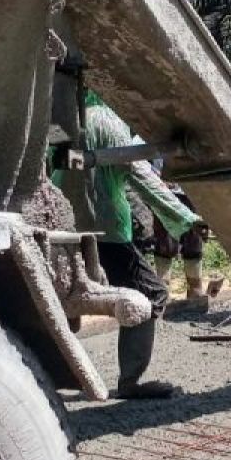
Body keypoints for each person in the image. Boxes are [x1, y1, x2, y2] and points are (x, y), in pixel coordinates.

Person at [84, 93, 202, 398]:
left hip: (70, 225)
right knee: (151, 294)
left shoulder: (70, 118)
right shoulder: (110, 124)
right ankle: (130, 383)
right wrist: (187, 219)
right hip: (108, 226)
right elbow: (143, 178)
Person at [150, 157, 209, 301]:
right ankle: (163, 292)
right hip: (165, 191)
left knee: (194, 242)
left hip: (192, 189)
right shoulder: (150, 138)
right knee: (165, 244)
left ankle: (195, 290)